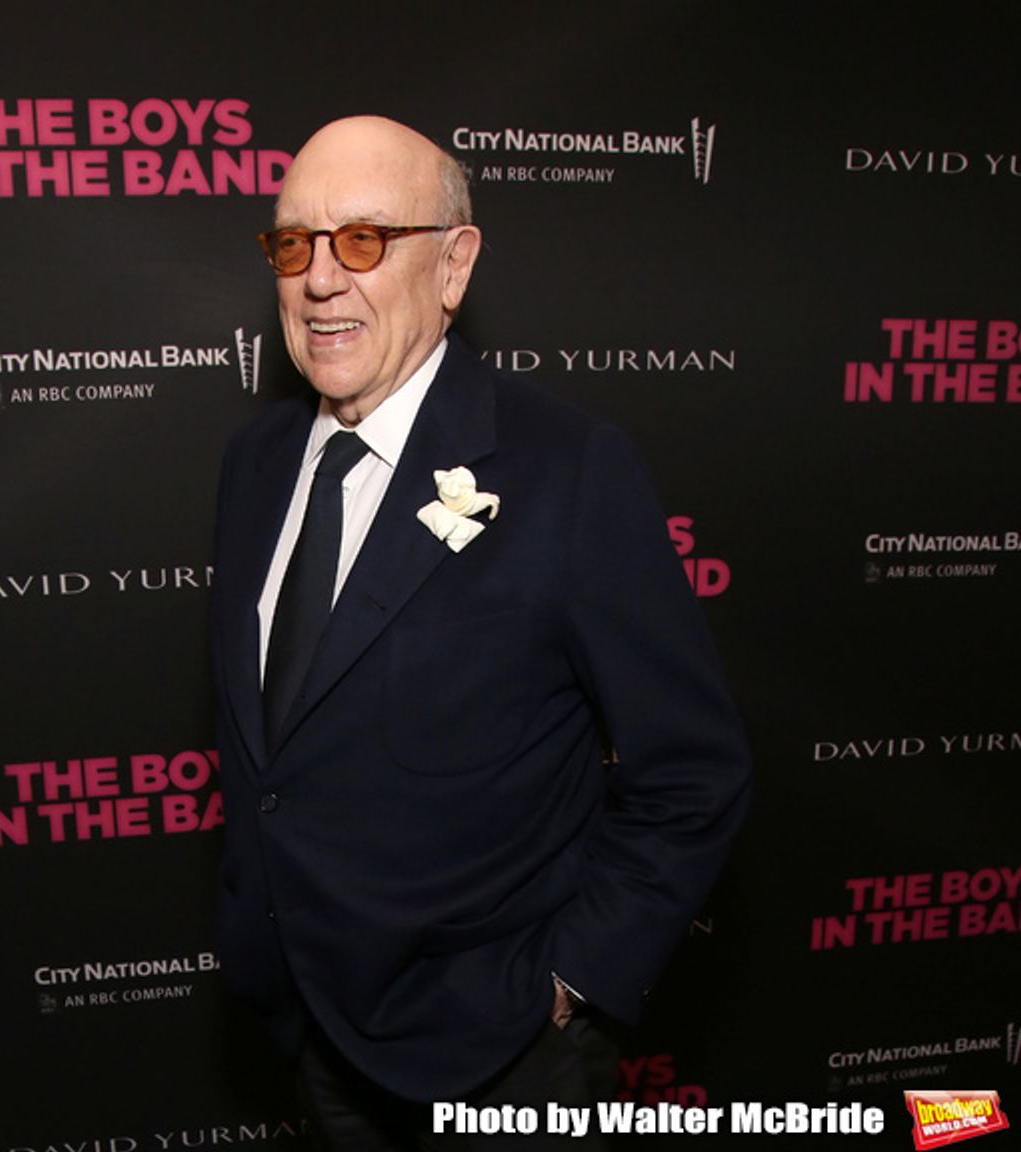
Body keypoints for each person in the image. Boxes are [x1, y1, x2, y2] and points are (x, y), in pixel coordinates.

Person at [210, 115, 751, 1149]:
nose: (320, 279)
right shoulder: (255, 465)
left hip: (499, 1056)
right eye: (293, 243)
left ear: (453, 267)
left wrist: (564, 983)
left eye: (364, 240)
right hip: (306, 1029)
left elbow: (694, 771)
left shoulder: (569, 468)